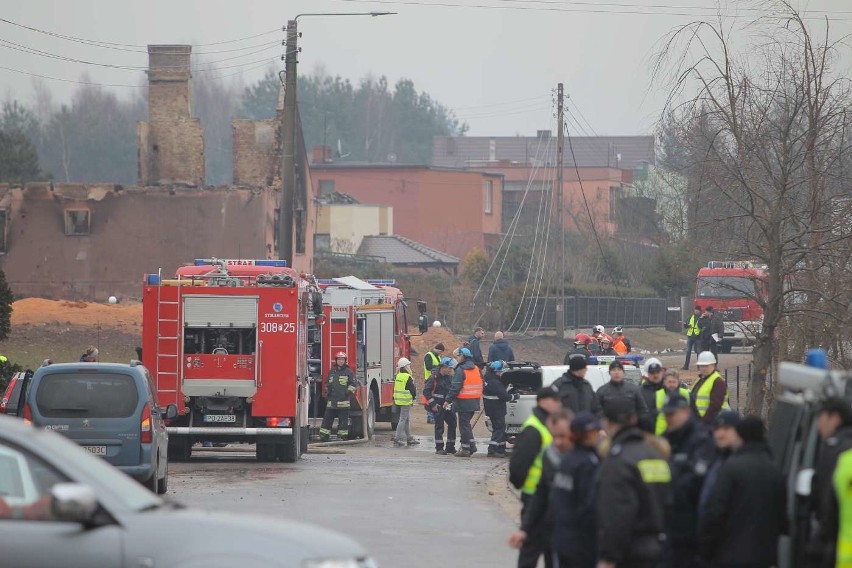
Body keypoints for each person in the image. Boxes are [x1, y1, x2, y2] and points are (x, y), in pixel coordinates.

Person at [698, 417, 785, 568]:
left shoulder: (731, 467)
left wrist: (705, 549)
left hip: (730, 554)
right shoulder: (775, 470)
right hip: (764, 556)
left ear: (741, 436)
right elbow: (781, 516)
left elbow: (715, 512)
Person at [596, 397, 672, 568]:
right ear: (633, 419)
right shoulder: (656, 454)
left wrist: (609, 556)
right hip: (661, 546)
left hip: (630, 551)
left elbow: (617, 513)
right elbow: (668, 500)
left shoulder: (617, 459)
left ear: (607, 423)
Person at [508, 409, 578, 568]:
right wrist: (525, 529)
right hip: (555, 527)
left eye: (562, 436)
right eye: (554, 437)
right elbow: (541, 495)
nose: (557, 442)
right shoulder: (550, 456)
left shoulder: (588, 460)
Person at [661, 393, 717, 568]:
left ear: (685, 412)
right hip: (669, 525)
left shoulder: (701, 439)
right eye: (666, 414)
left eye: (672, 414)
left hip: (693, 527)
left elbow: (697, 481)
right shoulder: (665, 439)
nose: (668, 418)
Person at [808, 397, 852, 566]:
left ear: (835, 418)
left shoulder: (834, 451)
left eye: (821, 418)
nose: (819, 425)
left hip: (837, 554)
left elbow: (822, 502)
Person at [698, 410, 742, 517]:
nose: (720, 434)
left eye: (727, 429)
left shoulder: (745, 463)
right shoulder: (713, 459)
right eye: (717, 429)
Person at [445, 347, 482, 457]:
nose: (457, 358)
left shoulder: (460, 369)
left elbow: (455, 387)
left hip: (463, 402)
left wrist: (448, 400)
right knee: (466, 425)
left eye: (458, 356)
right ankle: (472, 446)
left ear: (462, 356)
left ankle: (465, 449)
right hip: (474, 401)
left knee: (464, 425)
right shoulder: (476, 368)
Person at [319, 352, 358, 442]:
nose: (340, 361)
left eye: (342, 360)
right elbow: (327, 383)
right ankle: (324, 435)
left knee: (343, 422)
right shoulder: (332, 372)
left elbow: (353, 385)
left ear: (345, 361)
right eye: (339, 359)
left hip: (343, 402)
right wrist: (326, 390)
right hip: (332, 401)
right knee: (327, 420)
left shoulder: (349, 372)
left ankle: (342, 436)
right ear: (336, 361)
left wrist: (347, 393)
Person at [596, 360, 649, 425]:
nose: (616, 372)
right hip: (610, 430)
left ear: (623, 372)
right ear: (610, 373)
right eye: (614, 370)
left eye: (619, 369)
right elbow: (596, 412)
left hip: (629, 429)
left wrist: (638, 423)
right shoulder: (602, 391)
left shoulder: (633, 389)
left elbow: (643, 411)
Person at [424, 356, 458, 455]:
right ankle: (439, 448)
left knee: (453, 423)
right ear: (444, 367)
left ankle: (450, 447)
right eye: (450, 368)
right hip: (438, 406)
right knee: (439, 426)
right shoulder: (434, 377)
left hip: (447, 405)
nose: (451, 370)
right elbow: (426, 391)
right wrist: (433, 404)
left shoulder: (449, 377)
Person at [483, 360, 518, 457]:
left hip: (491, 408)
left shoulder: (487, 378)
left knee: (499, 428)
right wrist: (515, 396)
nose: (501, 373)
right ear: (496, 371)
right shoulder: (495, 382)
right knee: (499, 429)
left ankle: (500, 449)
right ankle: (492, 449)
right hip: (496, 409)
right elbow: (505, 396)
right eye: (500, 371)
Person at [690, 351, 730, 426]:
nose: (704, 368)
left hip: (711, 423)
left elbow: (715, 406)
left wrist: (703, 423)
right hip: (699, 421)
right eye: (702, 366)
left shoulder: (718, 382)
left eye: (707, 366)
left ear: (713, 365)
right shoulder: (701, 379)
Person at [392, 357, 419, 448]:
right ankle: (397, 438)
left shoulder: (398, 375)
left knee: (406, 419)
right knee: (403, 419)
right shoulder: (407, 377)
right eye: (408, 365)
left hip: (398, 400)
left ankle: (409, 437)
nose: (409, 366)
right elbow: (412, 389)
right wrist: (414, 397)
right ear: (406, 366)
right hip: (406, 401)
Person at [654, 370, 690, 436]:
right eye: (669, 382)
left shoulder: (686, 394)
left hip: (682, 434)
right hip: (661, 433)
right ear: (664, 382)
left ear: (678, 382)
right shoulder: (657, 395)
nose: (672, 385)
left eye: (674, 382)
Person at [638, 357, 665, 433]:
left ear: (661, 372)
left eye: (657, 372)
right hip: (647, 436)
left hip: (668, 438)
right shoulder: (640, 392)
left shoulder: (669, 390)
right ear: (648, 375)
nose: (655, 375)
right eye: (652, 373)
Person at [422, 343, 445, 425]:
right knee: (429, 398)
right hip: (430, 379)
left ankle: (433, 416)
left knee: (434, 399)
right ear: (437, 349)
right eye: (440, 351)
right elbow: (428, 366)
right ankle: (430, 416)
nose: (440, 353)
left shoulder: (438, 356)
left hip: (436, 380)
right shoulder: (428, 355)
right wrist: (438, 367)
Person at [681, 305, 703, 370]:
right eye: (695, 310)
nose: (696, 311)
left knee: (699, 352)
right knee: (688, 351)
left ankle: (699, 367)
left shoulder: (702, 318)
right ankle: (686, 366)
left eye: (697, 310)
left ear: (700, 311)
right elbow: (686, 324)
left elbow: (702, 326)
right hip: (690, 336)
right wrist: (686, 324)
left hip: (698, 336)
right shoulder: (691, 316)